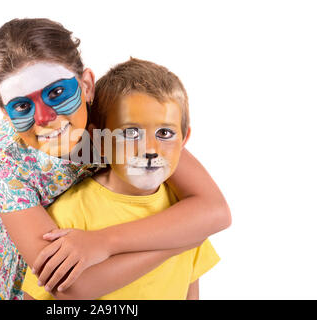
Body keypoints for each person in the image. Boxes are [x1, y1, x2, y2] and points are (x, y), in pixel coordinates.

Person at [0, 18, 231, 300]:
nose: (45, 118)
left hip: (107, 240)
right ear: (5, 113)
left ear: (87, 86)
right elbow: (70, 286)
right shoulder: (3, 163)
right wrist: (182, 241)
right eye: (22, 106)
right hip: (36, 276)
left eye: (57, 93)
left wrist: (104, 242)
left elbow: (215, 211)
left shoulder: (111, 112)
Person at [22, 58, 220, 300]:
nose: (150, 149)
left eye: (165, 133)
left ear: (184, 139)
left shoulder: (184, 213)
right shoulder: (69, 215)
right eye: (131, 133)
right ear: (100, 139)